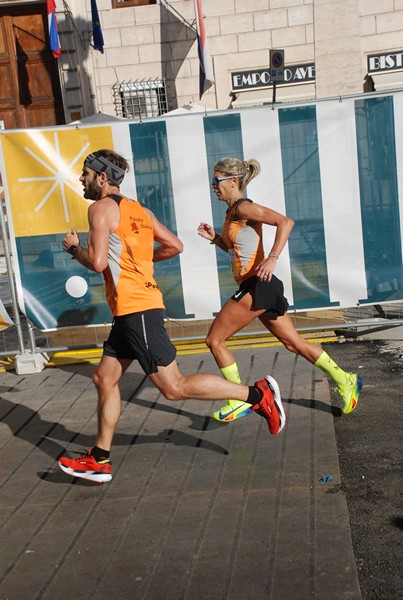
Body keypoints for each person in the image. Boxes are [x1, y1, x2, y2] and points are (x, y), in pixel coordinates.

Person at [58, 150, 285, 484]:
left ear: (102, 178)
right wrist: (140, 264)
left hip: (137, 309)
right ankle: (100, 459)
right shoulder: (140, 211)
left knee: (174, 387)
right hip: (130, 310)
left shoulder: (99, 209)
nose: (82, 179)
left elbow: (98, 263)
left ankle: (257, 395)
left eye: (86, 174)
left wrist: (74, 249)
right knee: (104, 378)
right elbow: (175, 246)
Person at [197, 156, 363, 423]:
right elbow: (239, 251)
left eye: (216, 181)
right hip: (260, 286)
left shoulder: (244, 208)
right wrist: (216, 238)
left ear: (233, 182)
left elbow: (286, 222)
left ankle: (238, 399)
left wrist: (273, 257)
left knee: (214, 340)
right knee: (293, 343)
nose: (213, 185)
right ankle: (346, 380)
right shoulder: (231, 213)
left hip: (257, 286)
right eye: (212, 181)